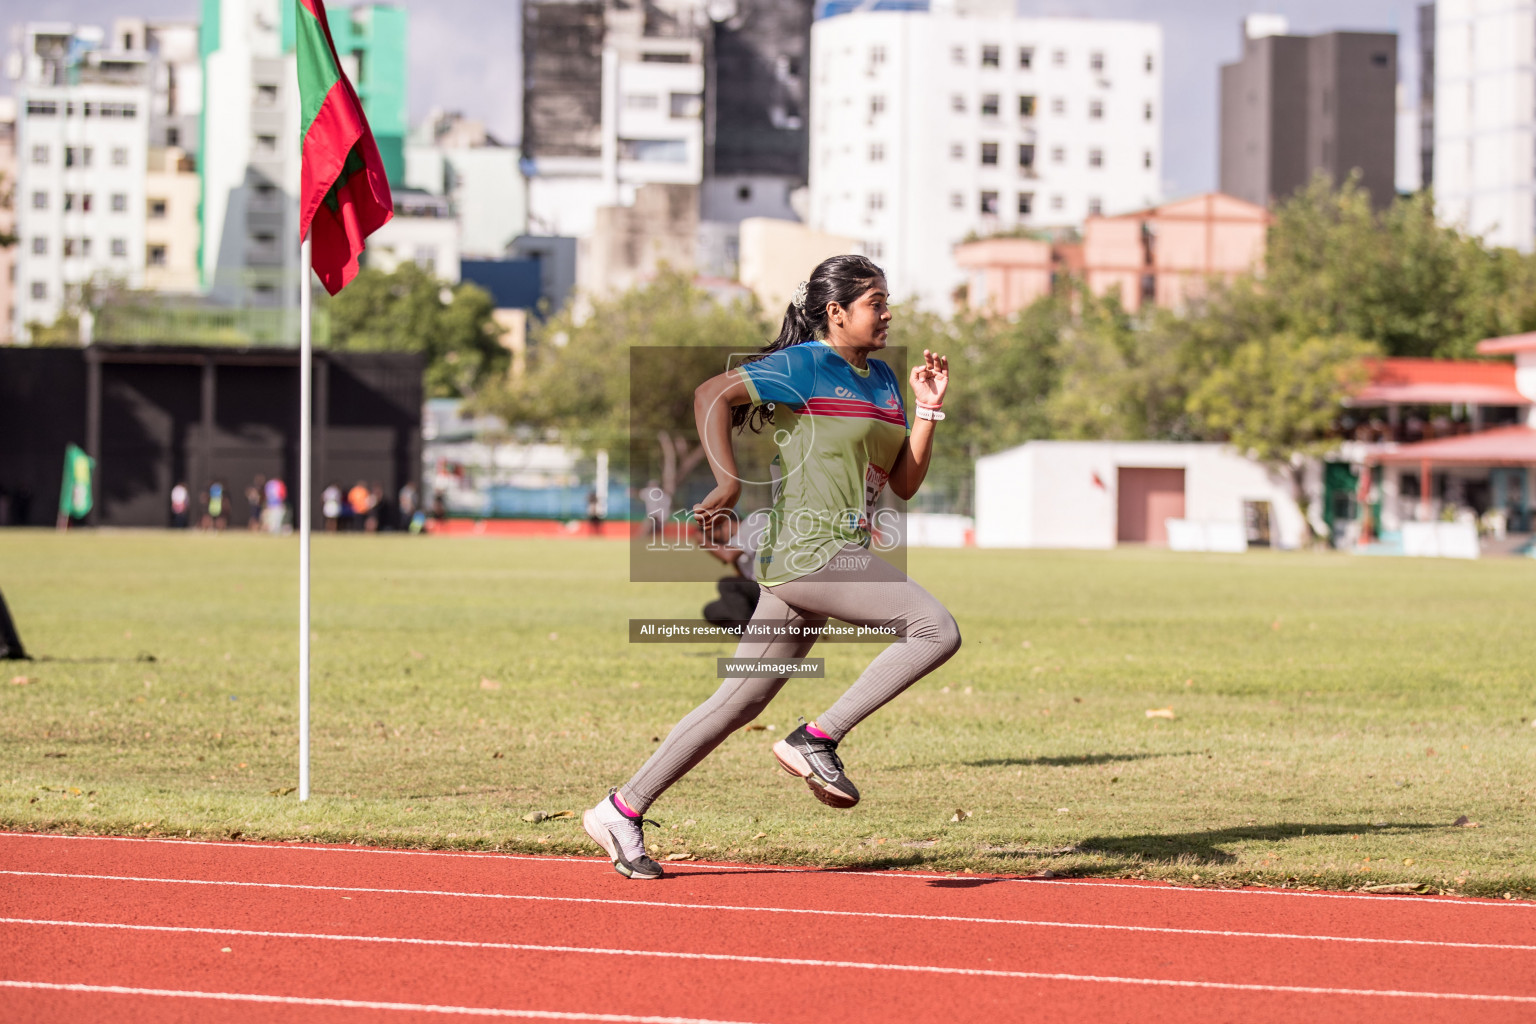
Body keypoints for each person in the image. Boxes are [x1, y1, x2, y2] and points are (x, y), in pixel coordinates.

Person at [582, 255, 960, 880]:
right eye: (875, 303)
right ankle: (817, 738)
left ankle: (621, 808)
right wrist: (727, 484)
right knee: (933, 628)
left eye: (887, 300)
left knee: (738, 702)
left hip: (834, 554)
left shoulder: (887, 378)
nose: (888, 312)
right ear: (836, 313)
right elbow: (712, 394)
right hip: (809, 551)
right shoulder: (804, 365)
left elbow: (906, 482)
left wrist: (927, 411)